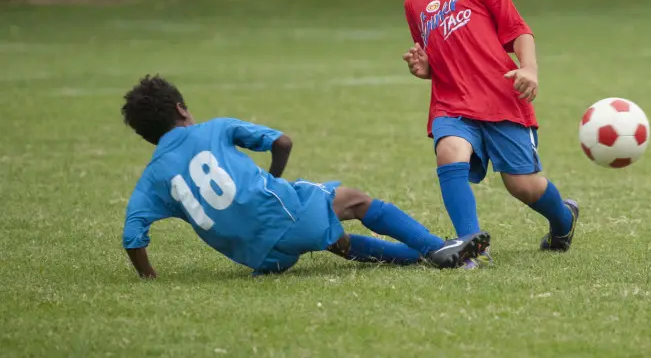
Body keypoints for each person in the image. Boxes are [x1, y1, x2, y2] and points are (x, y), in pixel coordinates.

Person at [120, 75, 490, 278]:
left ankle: (418, 257)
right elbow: (282, 141)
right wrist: (274, 179)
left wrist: (149, 277)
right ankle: (436, 249)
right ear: (182, 108)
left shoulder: (153, 177)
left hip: (260, 259)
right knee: (354, 199)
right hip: (286, 216)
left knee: (332, 237)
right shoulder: (214, 128)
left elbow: (133, 236)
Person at [401, 0, 579, 269]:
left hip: (502, 100)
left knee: (523, 186)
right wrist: (426, 70)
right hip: (451, 104)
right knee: (449, 149)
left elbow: (519, 32)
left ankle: (562, 220)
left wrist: (528, 69)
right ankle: (471, 244)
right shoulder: (414, 4)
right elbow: (444, 59)